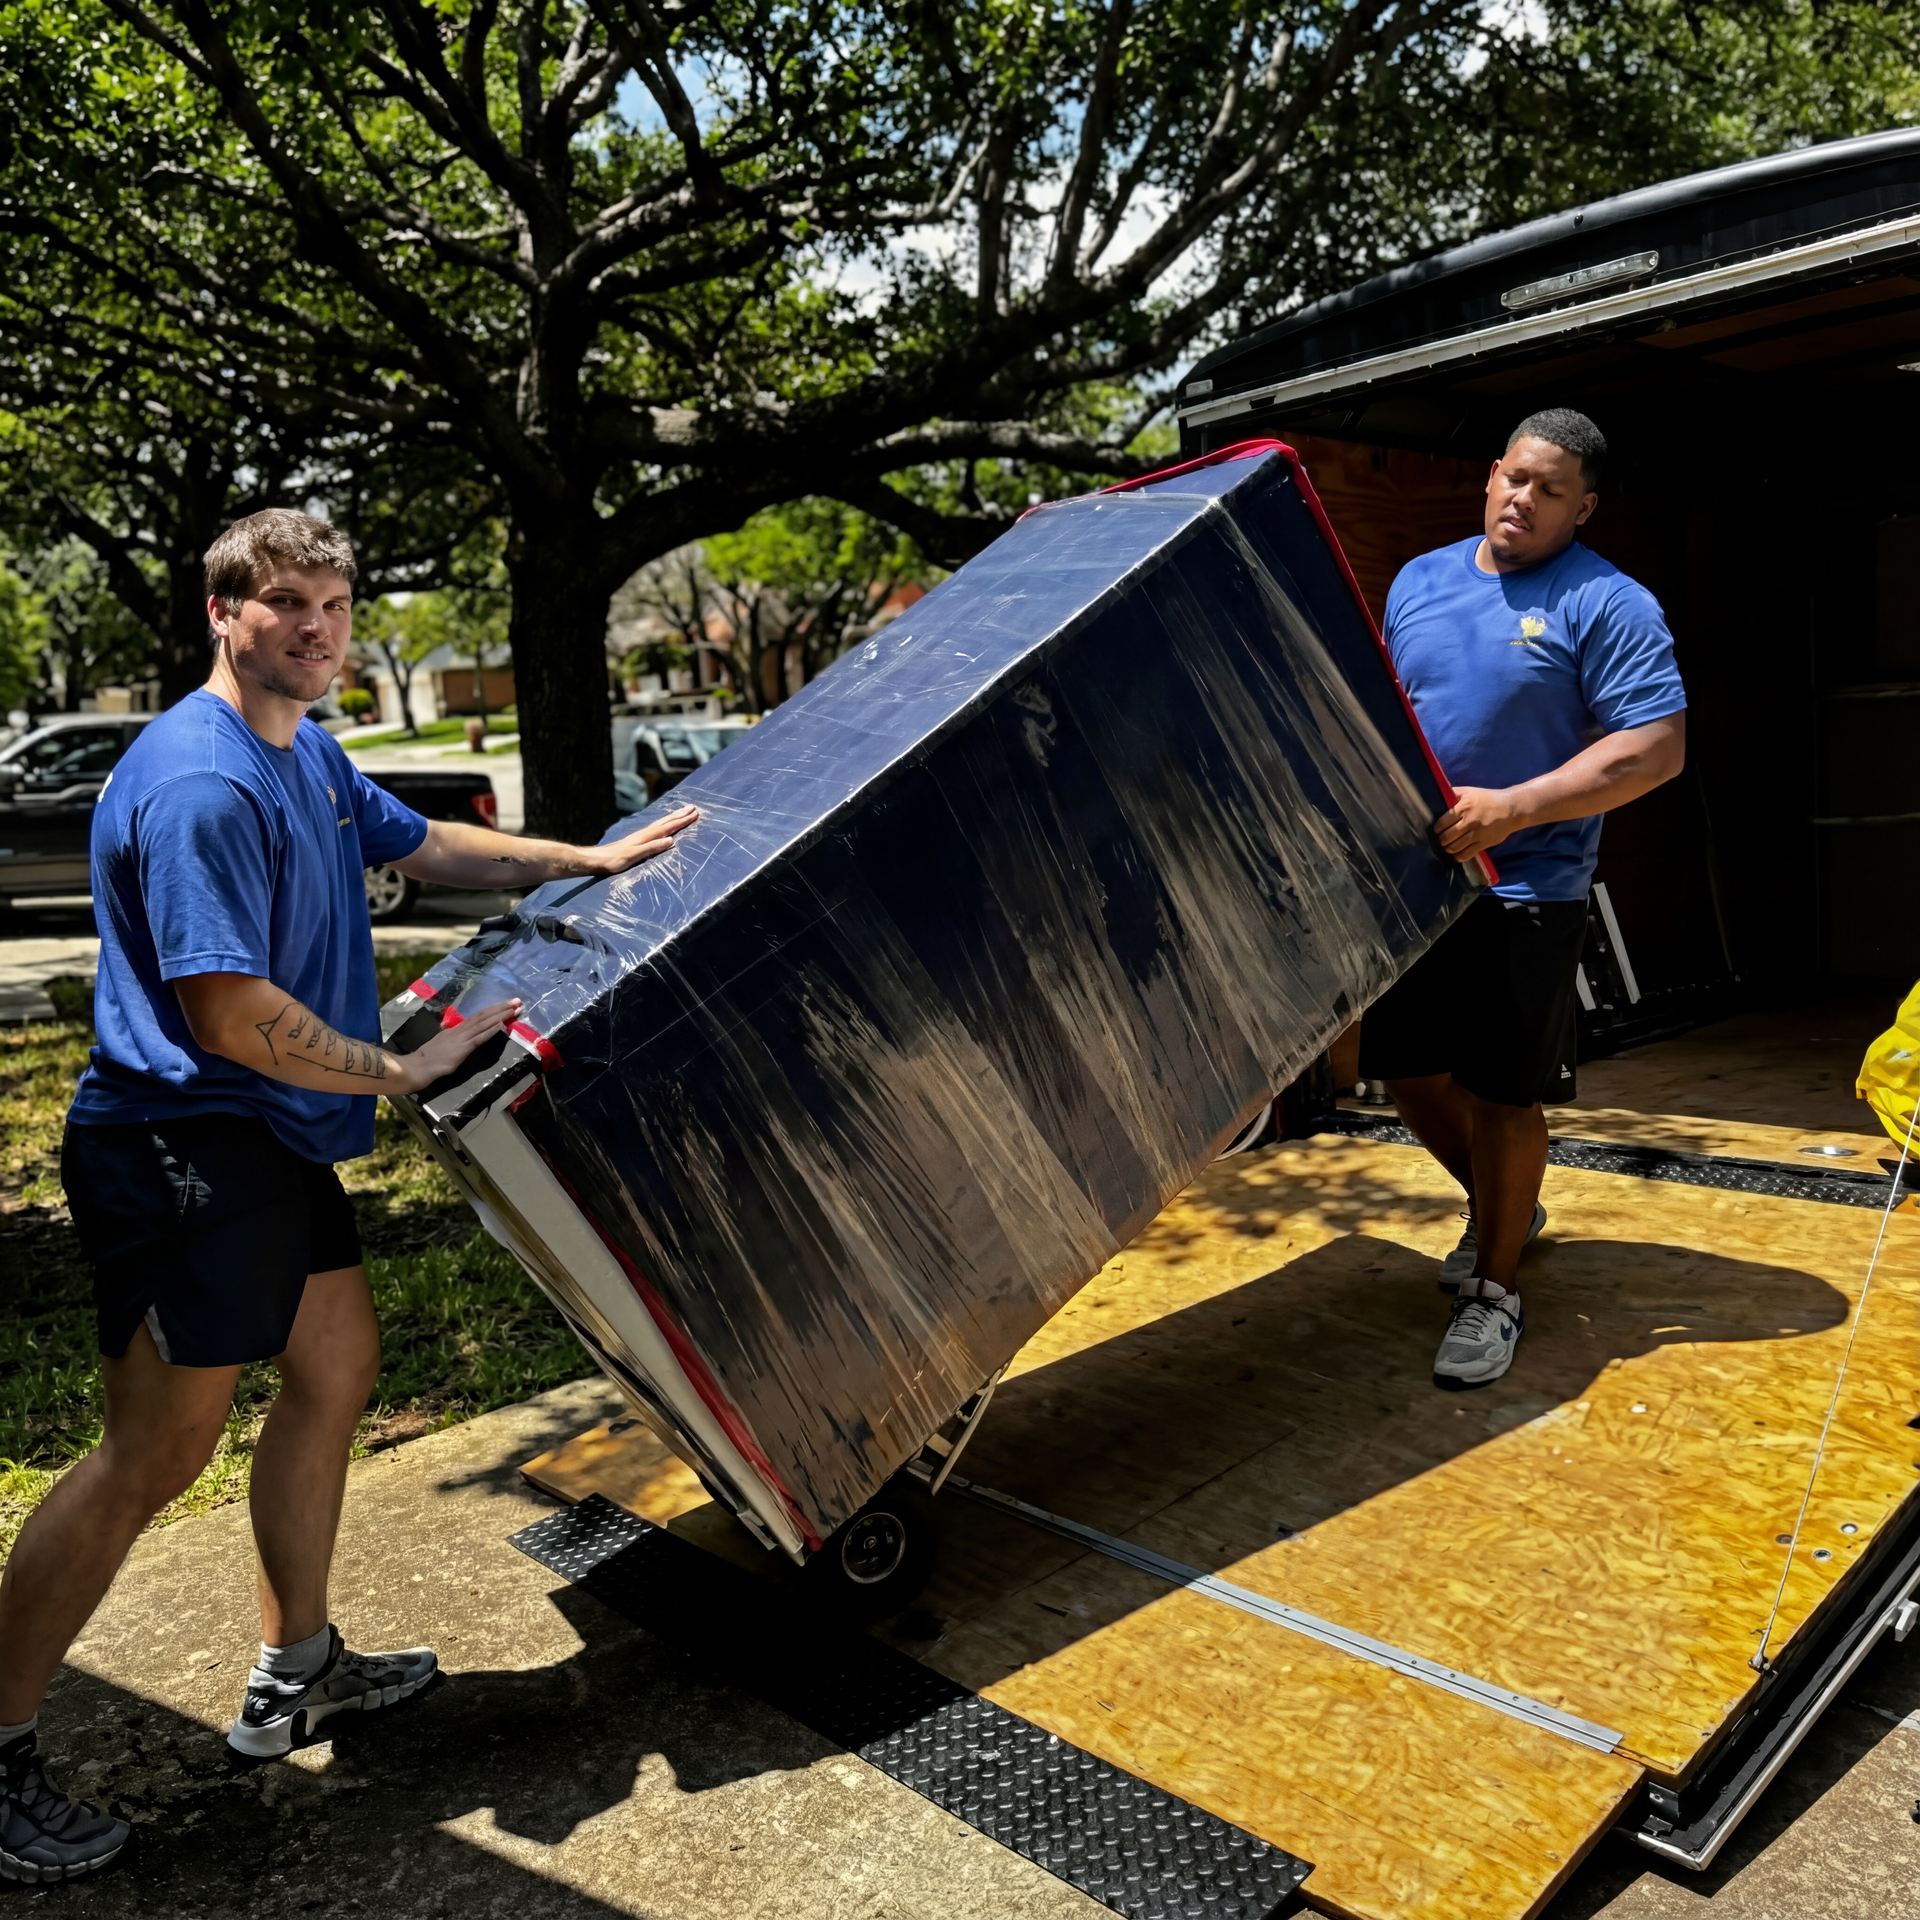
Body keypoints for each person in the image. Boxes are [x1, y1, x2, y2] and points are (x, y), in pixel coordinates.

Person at [0, 511, 696, 1884]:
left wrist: (592, 861)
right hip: (184, 1144)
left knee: (337, 1365)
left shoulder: (304, 750)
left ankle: (295, 1670)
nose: (318, 628)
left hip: (266, 1141)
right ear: (223, 613)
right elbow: (226, 1012)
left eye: (335, 602)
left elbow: (427, 843)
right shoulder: (202, 784)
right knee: (153, 1455)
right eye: (286, 605)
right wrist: (400, 1065)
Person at [1358, 409, 1685, 1392]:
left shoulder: (1611, 603)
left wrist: (1516, 808)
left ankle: (1494, 1289)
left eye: (1551, 491)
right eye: (1515, 478)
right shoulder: (1419, 581)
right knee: (1411, 1072)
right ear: (1492, 475)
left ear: (1582, 508)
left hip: (1528, 885)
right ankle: (1506, 1206)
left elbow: (1656, 749)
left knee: (1505, 1094)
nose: (1524, 500)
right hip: (1419, 884)